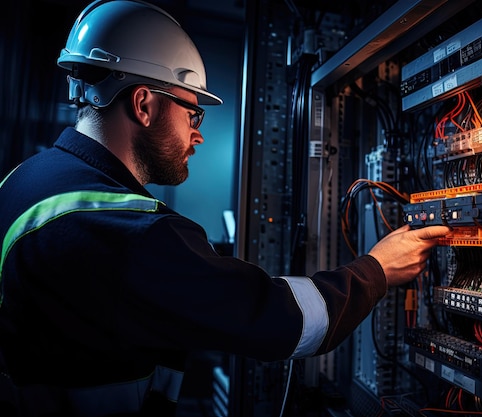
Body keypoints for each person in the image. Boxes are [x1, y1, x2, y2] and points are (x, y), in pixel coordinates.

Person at [0, 0, 451, 416]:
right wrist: (377, 270)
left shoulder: (23, 181)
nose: (198, 134)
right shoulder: (131, 231)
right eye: (193, 114)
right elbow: (282, 323)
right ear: (144, 104)